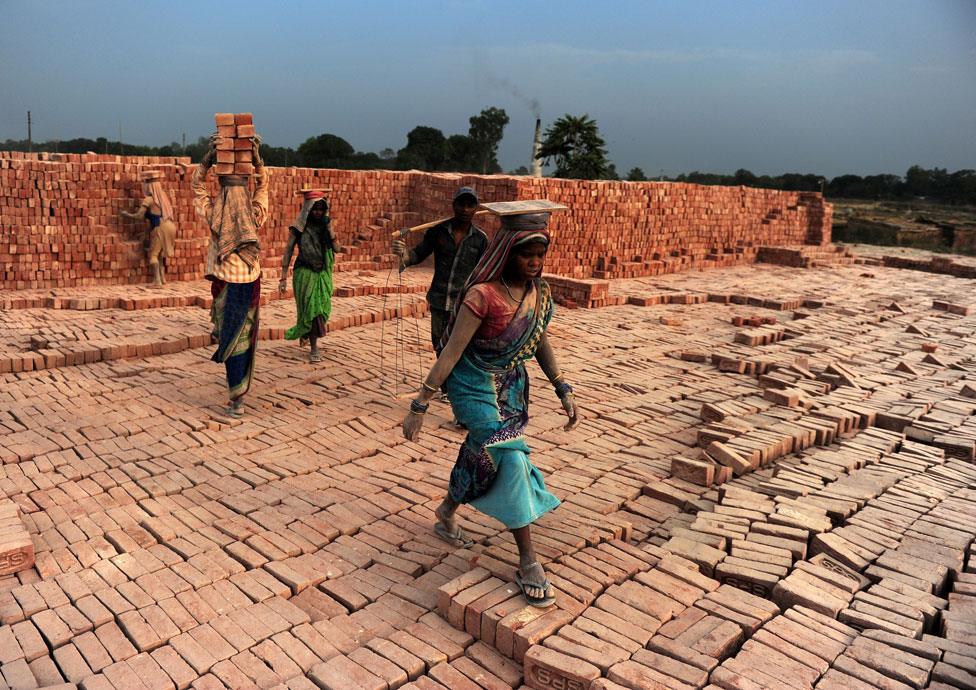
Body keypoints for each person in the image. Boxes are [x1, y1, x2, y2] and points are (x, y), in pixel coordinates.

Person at [402, 211, 579, 608]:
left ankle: (447, 509)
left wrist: (561, 386)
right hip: (471, 382)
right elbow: (452, 350)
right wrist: (421, 403)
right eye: (525, 255)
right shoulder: (483, 295)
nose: (534, 262)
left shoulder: (539, 292)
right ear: (506, 254)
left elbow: (540, 341)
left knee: (482, 454)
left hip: (510, 385)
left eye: (539, 254)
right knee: (511, 457)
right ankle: (528, 561)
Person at [191, 136, 268, 418]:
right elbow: (264, 186)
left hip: (226, 283)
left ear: (221, 193)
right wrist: (257, 160)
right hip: (251, 282)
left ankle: (236, 398)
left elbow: (197, 187)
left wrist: (207, 161)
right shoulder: (254, 213)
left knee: (231, 336)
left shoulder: (215, 214)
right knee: (244, 338)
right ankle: (239, 397)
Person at [393, 186, 487, 351]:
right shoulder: (438, 232)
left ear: (476, 209)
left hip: (464, 305)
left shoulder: (480, 240)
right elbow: (417, 255)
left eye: (469, 205)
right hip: (438, 301)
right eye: (461, 204)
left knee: (459, 351)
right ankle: (442, 377)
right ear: (453, 206)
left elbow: (484, 274)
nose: (465, 209)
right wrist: (403, 254)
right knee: (440, 347)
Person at [279, 190, 341, 362]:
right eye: (315, 209)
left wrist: (330, 228)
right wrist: (283, 278)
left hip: (322, 274)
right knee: (312, 312)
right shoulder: (298, 228)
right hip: (304, 273)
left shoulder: (325, 226)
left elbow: (337, 249)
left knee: (320, 310)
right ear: (308, 209)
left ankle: (306, 333)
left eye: (321, 209)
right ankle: (314, 349)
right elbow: (288, 251)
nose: (318, 212)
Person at [120, 171, 178, 285]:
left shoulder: (149, 199)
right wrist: (146, 233)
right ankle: (163, 278)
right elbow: (155, 218)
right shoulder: (163, 197)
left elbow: (138, 216)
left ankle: (157, 281)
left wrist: (125, 214)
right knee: (160, 254)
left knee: (153, 255)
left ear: (149, 186)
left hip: (161, 227)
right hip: (171, 226)